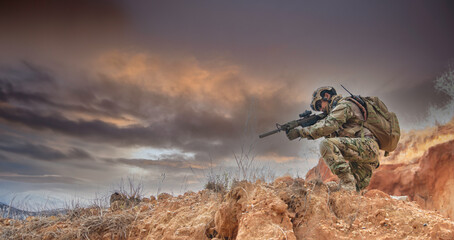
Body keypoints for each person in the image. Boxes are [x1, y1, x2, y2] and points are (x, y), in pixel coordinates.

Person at [286, 86, 380, 192]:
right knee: (350, 193)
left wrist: (300, 132)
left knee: (326, 145)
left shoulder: (344, 105)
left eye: (319, 104)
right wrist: (311, 124)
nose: (320, 109)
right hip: (364, 155)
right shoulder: (335, 113)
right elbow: (330, 131)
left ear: (326, 96)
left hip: (367, 147)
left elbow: (328, 126)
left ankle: (347, 181)